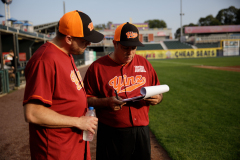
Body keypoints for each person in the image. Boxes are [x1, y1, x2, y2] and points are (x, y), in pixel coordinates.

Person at [23, 10, 104, 160]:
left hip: (72, 147)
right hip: (56, 152)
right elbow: (33, 112)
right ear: (68, 38)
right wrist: (78, 122)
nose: (89, 43)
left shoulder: (66, 54)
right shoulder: (45, 60)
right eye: (84, 40)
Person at [83, 22, 163, 160]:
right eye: (125, 47)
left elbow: (158, 90)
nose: (130, 52)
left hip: (141, 132)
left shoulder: (144, 63)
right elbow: (86, 98)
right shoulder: (97, 68)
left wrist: (158, 98)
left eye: (134, 48)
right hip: (111, 132)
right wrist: (106, 102)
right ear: (115, 43)